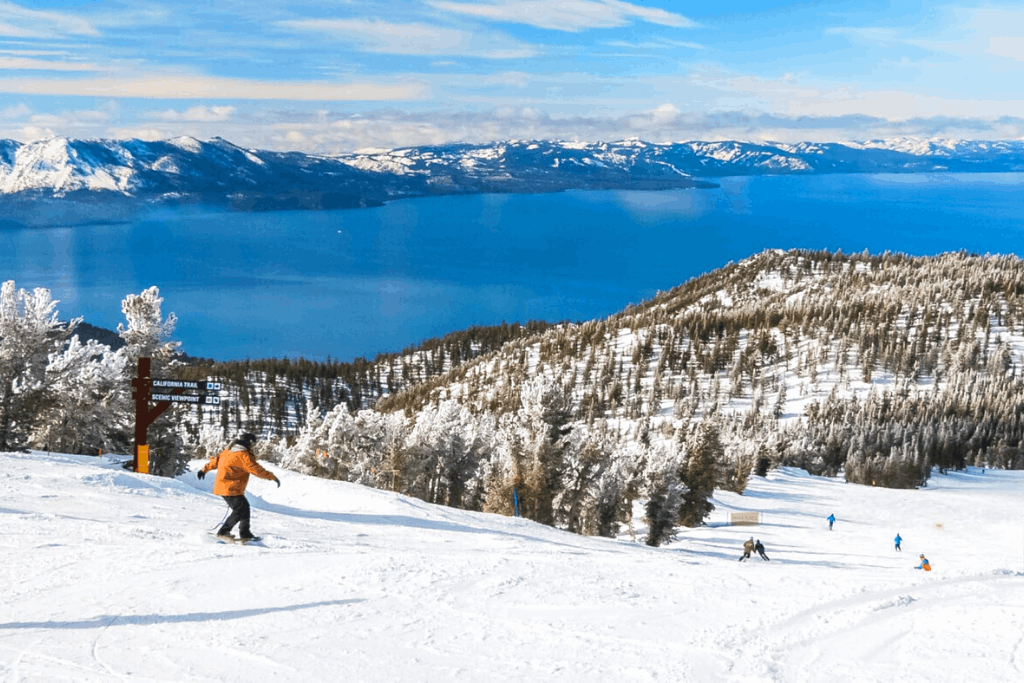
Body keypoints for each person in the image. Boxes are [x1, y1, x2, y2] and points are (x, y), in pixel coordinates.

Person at [197, 432, 280, 542]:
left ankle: (245, 533)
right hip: (230, 487)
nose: (253, 446)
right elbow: (255, 469)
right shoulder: (243, 455)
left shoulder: (228, 452)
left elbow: (215, 461)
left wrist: (204, 470)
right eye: (252, 444)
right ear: (249, 443)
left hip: (226, 486)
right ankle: (224, 532)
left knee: (244, 508)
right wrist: (271, 477)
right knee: (239, 510)